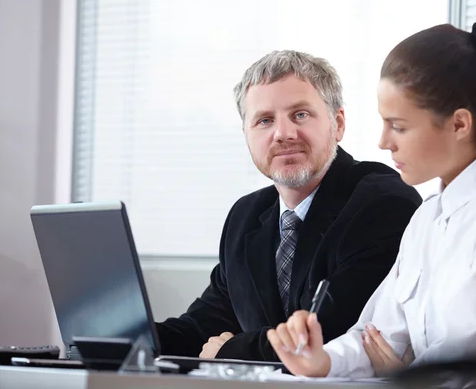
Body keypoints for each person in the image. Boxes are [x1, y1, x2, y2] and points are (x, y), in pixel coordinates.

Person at [266, 24, 476, 387]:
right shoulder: (428, 217)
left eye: (399, 126)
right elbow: (376, 335)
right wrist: (322, 359)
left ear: (459, 124)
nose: (383, 142)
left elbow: (471, 363)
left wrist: (404, 375)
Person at [155, 50, 422, 361]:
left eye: (300, 115)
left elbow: (327, 339)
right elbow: (202, 326)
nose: (283, 134)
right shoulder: (246, 216)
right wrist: (128, 338)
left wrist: (230, 350)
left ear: (337, 124)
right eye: (265, 120)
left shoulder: (383, 204)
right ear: (247, 135)